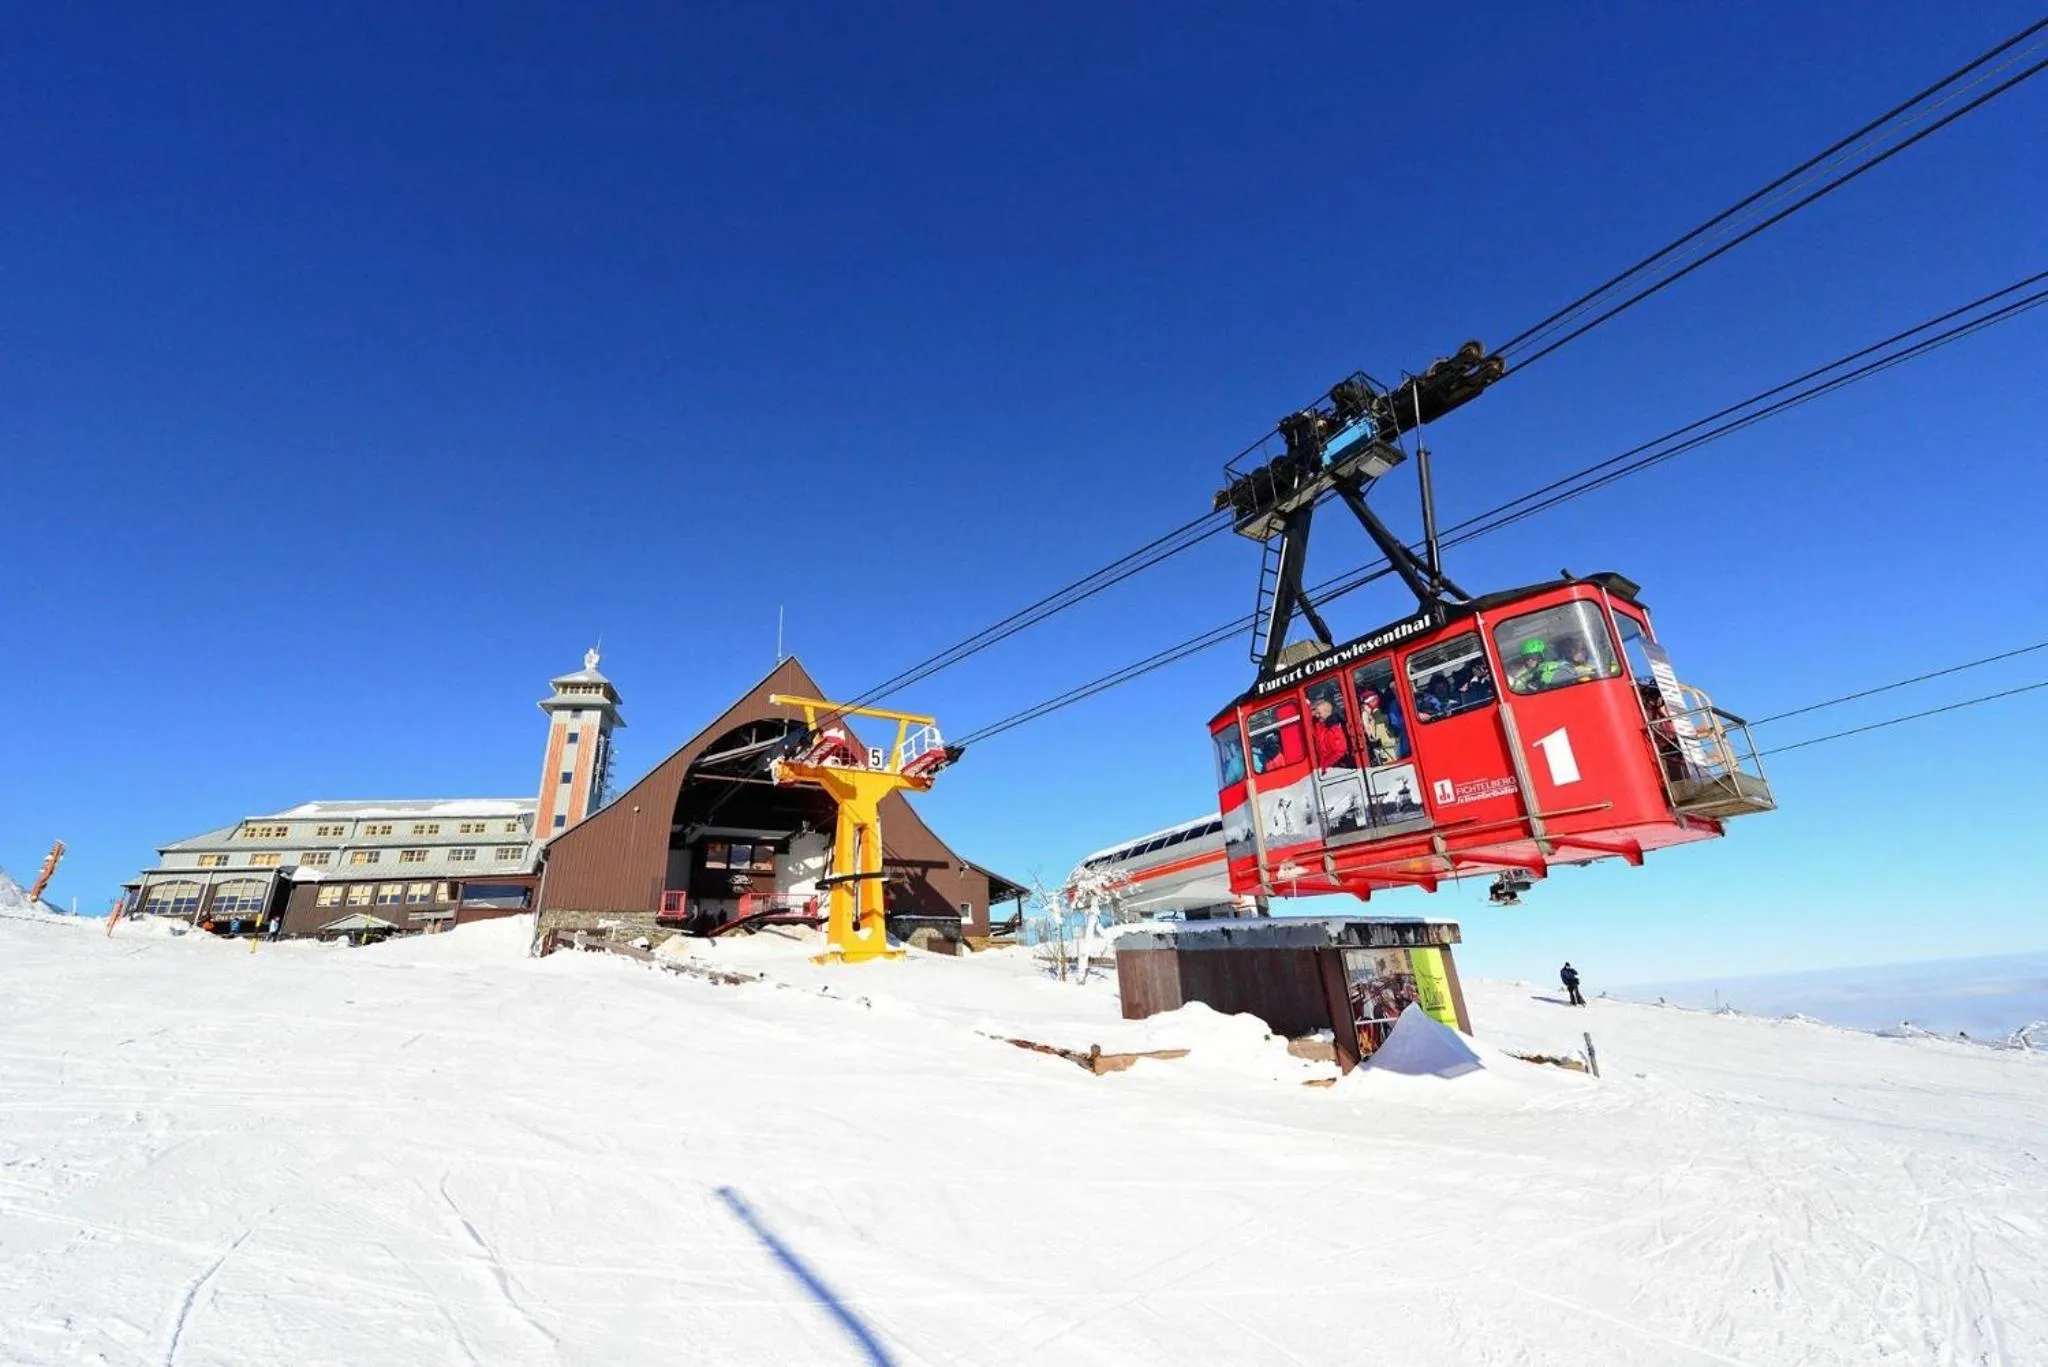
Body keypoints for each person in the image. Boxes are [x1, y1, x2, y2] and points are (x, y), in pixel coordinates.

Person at [1357, 689, 1403, 765]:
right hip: (1389, 757)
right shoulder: (1376, 718)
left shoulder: (1380, 720)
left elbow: (1391, 740)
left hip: (1391, 758)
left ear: (1371, 703)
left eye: (1363, 706)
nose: (1362, 709)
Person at [1309, 696, 1354, 769]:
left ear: (1327, 712)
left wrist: (1323, 767)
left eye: (1319, 713)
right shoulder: (1321, 725)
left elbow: (1339, 751)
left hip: (1334, 768)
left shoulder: (1334, 727)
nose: (1317, 716)